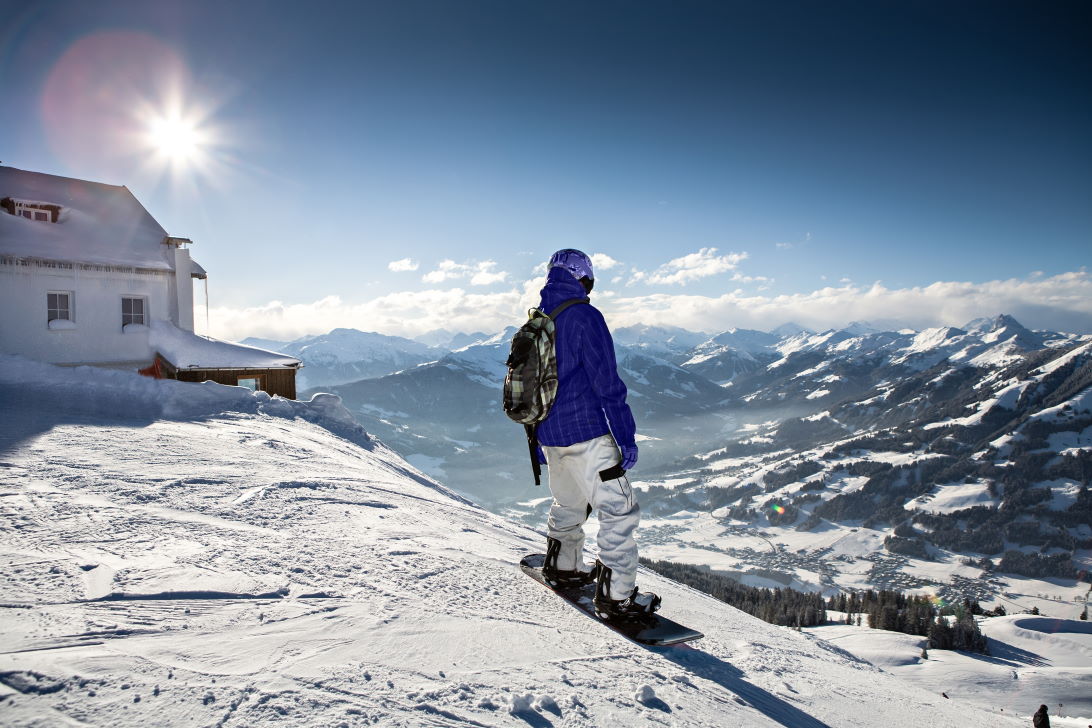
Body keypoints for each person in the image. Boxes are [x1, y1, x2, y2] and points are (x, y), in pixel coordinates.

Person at [534, 248, 660, 620]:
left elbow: (532, 386)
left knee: (569, 503)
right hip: (587, 434)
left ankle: (564, 566)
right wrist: (626, 437)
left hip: (549, 435)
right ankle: (616, 597)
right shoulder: (584, 316)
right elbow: (607, 382)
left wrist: (540, 439)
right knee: (619, 512)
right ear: (582, 277)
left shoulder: (540, 320)